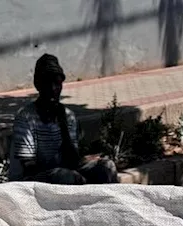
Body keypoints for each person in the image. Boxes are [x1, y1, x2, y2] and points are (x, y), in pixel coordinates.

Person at [9, 54, 118, 185]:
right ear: (37, 85)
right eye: (47, 84)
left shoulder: (68, 116)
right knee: (66, 176)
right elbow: (29, 167)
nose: (53, 89)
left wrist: (89, 160)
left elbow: (72, 160)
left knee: (107, 166)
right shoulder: (26, 117)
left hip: (62, 172)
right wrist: (76, 176)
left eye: (57, 83)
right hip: (28, 181)